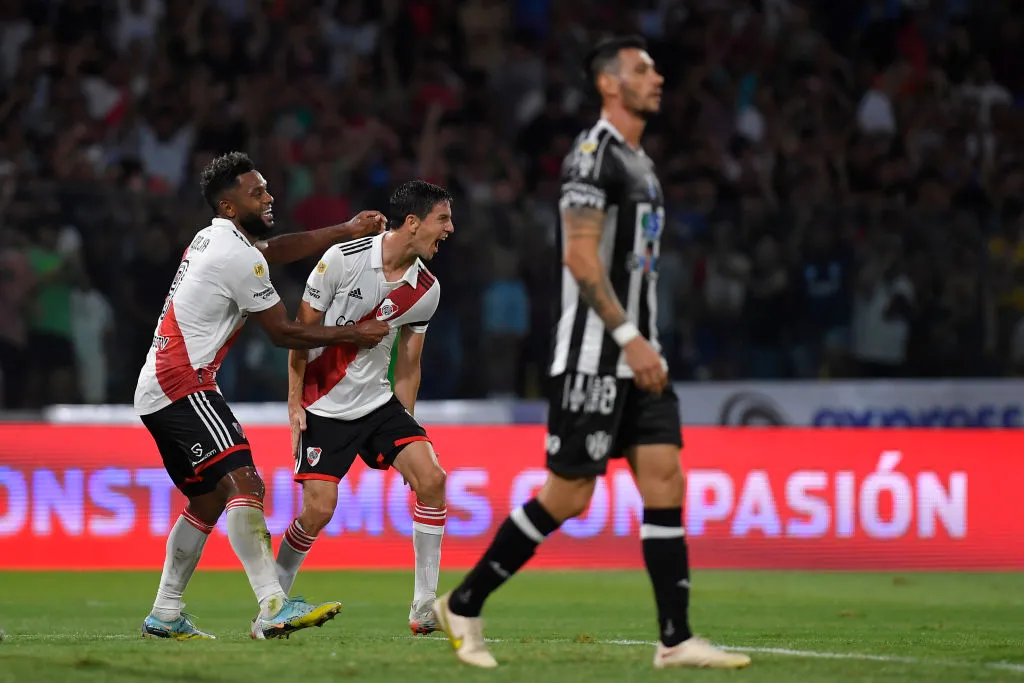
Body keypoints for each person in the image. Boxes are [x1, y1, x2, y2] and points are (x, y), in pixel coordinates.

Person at [432, 36, 752, 670]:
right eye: (642, 69)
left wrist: (643, 343)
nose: (657, 77)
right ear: (610, 83)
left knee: (666, 478)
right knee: (570, 494)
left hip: (641, 356)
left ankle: (675, 639)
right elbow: (578, 257)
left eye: (656, 67)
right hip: (595, 357)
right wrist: (629, 339)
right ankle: (464, 601)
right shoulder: (592, 156)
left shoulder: (640, 160)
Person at [135, 151, 391, 641]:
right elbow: (284, 334)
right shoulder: (233, 254)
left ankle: (165, 614)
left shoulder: (213, 235)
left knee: (209, 501)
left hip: (163, 385)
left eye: (267, 187)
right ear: (231, 206)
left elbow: (275, 250)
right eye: (257, 192)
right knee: (245, 484)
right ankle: (273, 603)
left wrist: (343, 230)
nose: (269, 196)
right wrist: (352, 334)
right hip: (181, 384)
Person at [274, 180, 452, 635]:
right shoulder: (342, 259)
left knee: (432, 480)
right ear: (413, 223)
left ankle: (424, 606)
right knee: (318, 511)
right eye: (442, 219)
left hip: (377, 403)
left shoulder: (426, 289)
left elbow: (409, 363)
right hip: (324, 405)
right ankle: (273, 600)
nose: (449, 229)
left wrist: (407, 422)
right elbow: (298, 333)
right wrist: (294, 403)